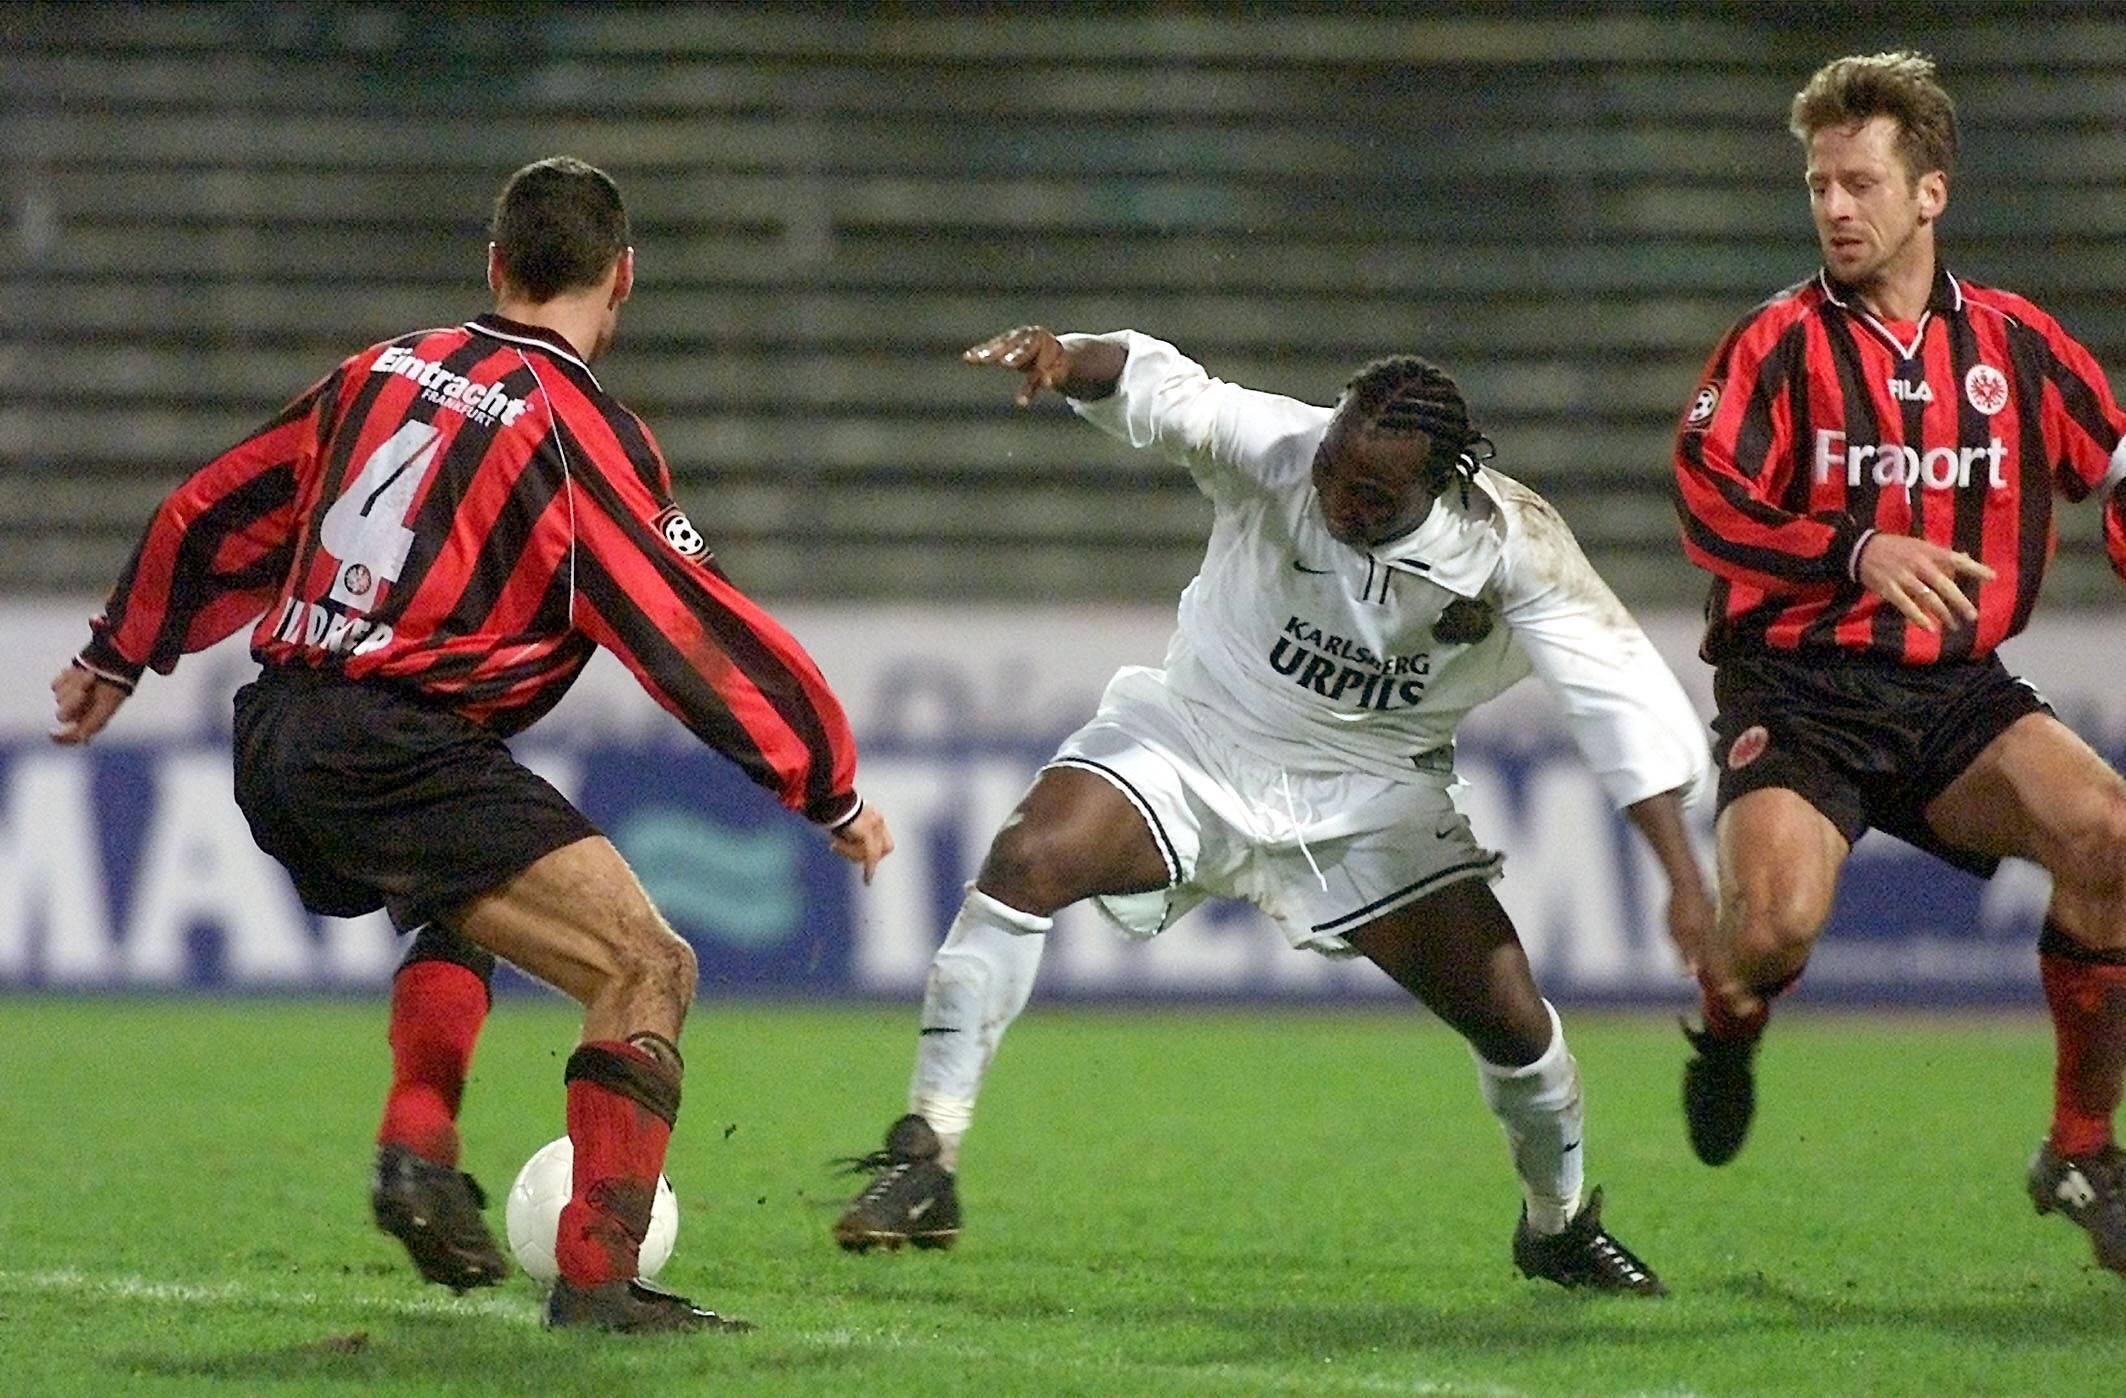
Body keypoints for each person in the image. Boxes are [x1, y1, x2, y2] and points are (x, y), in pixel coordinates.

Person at [48, 156, 894, 1332]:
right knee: (645, 967)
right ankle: (597, 1285)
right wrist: (828, 783)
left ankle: (417, 1147)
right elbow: (688, 628)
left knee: (465, 903)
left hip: (278, 728)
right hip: (399, 743)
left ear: (495, 265)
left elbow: (213, 507)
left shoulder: (380, 370)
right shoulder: (580, 434)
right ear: (623, 278)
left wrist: (117, 652)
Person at [831, 322, 1714, 1295]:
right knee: (1027, 861)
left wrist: (1682, 879)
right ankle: (927, 1156)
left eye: (1370, 496)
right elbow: (1159, 387)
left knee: (1515, 1027)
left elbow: (1618, 703)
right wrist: (1069, 356)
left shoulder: (1517, 552)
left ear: (1440, 486)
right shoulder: (1282, 448)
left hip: (1371, 794)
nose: (1337, 501)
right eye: (1334, 471)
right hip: (1197, 738)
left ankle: (1555, 1225)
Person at [1670, 52, 2126, 1276]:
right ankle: (1727, 1017)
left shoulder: (2016, 344)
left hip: (1953, 695)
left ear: (1928, 193)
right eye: (1817, 185)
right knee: (1772, 933)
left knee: (2108, 837)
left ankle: (2079, 1149)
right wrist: (1854, 548)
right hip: (1797, 690)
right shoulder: (1774, 343)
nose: (1832, 207)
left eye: (1858, 183)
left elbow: (2113, 462)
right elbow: (1705, 499)